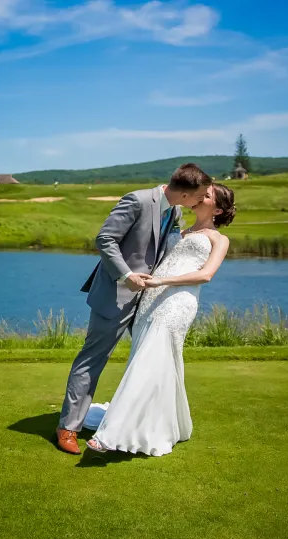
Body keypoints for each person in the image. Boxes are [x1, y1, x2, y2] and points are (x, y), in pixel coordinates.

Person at [55, 163, 212, 455]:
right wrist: (127, 275)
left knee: (148, 361)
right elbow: (105, 239)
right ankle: (68, 428)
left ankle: (142, 427)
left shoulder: (175, 211)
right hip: (116, 294)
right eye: (201, 195)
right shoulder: (137, 200)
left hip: (149, 300)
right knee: (93, 358)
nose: (202, 200)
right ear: (187, 194)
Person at [86, 183, 235, 456]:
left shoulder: (218, 239)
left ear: (218, 208)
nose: (201, 195)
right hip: (151, 300)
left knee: (151, 358)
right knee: (147, 358)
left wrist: (162, 281)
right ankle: (154, 423)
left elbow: (205, 275)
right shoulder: (180, 228)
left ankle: (110, 436)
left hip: (177, 303)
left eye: (208, 194)